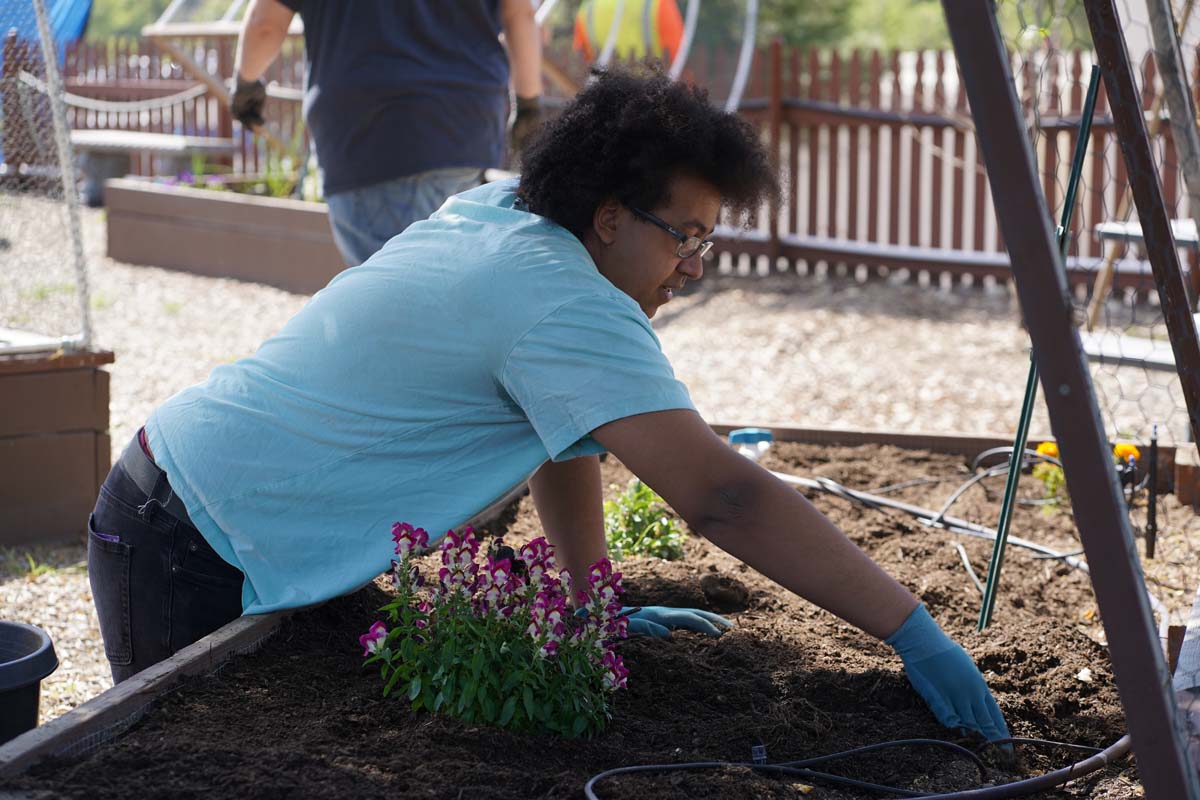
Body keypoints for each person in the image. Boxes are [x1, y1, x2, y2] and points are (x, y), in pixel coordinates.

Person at [87, 65, 1009, 744]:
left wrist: (588, 604)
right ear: (609, 215)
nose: (692, 267)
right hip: (191, 538)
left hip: (204, 495)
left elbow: (562, 436)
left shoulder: (503, 214)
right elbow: (723, 498)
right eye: (683, 236)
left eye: (707, 242)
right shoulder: (562, 300)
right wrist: (910, 629)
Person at [230, 0, 545, 267]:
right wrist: (529, 103)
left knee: (398, 297)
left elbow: (266, 24)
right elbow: (520, 13)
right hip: (465, 125)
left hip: (369, 132)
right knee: (443, 280)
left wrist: (246, 83)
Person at [573, 0, 684, 63]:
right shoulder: (658, 3)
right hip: (654, 97)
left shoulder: (587, 8)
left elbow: (580, 59)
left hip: (605, 96)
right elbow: (679, 56)